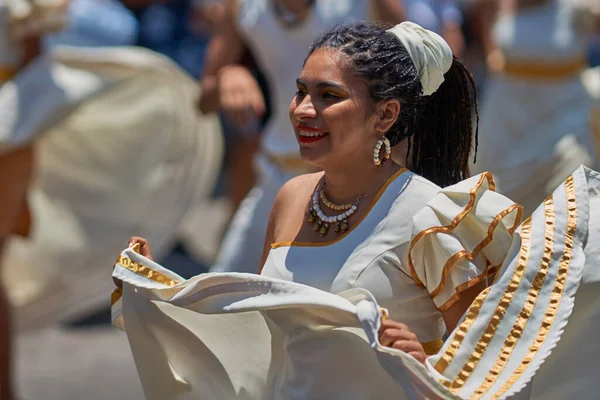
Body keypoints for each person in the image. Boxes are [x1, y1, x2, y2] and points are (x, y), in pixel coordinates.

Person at [116, 20, 600, 399]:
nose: (304, 110)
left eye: (329, 97)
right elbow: (258, 332)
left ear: (385, 115)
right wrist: (158, 293)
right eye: (301, 91)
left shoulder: (433, 216)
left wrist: (423, 361)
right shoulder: (289, 199)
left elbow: (490, 373)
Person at [203, 0, 407, 274]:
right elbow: (203, 99)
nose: (305, 108)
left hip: (356, 182)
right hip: (276, 174)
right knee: (220, 291)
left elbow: (413, 73)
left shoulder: (364, 4)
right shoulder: (243, 7)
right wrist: (228, 75)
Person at [470, 0, 600, 216]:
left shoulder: (577, 7)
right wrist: (490, 53)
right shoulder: (502, 4)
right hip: (506, 124)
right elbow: (482, 13)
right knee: (495, 208)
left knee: (565, 209)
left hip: (564, 122)